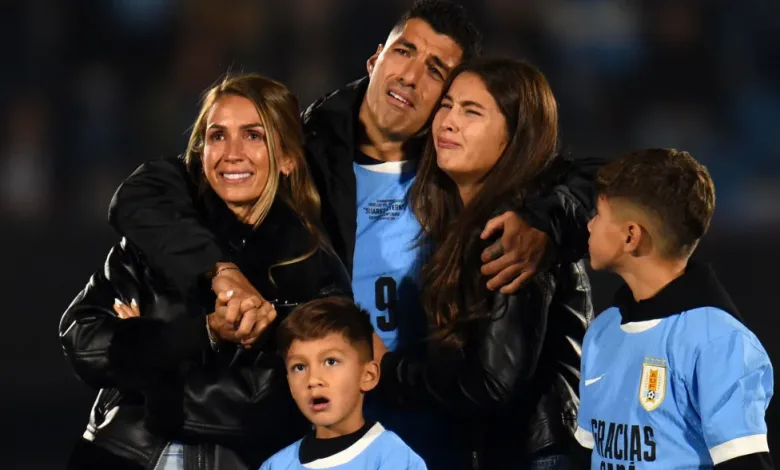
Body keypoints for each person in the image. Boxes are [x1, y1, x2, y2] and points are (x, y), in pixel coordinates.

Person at [105, 0, 596, 466]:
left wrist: (544, 220)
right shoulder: (305, 152)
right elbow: (147, 192)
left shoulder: (467, 164)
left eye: (436, 71)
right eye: (405, 51)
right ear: (375, 58)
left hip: (448, 442)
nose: (410, 75)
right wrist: (222, 273)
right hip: (330, 442)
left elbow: (595, 185)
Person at [59, 74, 352, 470]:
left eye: (253, 136)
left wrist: (146, 368)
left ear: (287, 159)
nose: (232, 153)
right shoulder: (159, 238)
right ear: (201, 151)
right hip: (118, 457)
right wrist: (204, 333)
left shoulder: (313, 271)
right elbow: (83, 340)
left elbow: (271, 403)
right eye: (217, 136)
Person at [373, 58, 591, 469]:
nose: (448, 122)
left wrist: (386, 369)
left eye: (472, 112)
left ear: (515, 137)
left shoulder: (515, 230)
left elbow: (492, 383)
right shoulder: (455, 222)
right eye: (447, 106)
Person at [577, 148, 774, 469]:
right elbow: (586, 453)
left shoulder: (720, 342)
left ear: (631, 236)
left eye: (598, 215)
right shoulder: (602, 330)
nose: (589, 226)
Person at [260, 297, 426, 469]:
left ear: (368, 375)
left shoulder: (394, 459)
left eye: (331, 361)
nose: (313, 380)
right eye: (299, 367)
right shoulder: (275, 465)